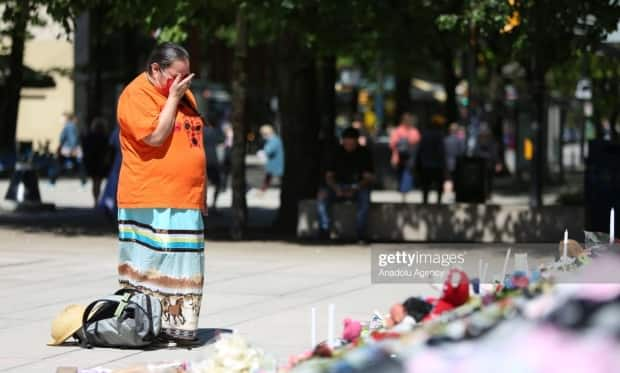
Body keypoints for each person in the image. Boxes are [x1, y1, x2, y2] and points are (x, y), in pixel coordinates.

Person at [116, 42, 206, 342]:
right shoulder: (136, 94)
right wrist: (173, 99)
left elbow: (192, 142)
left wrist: (200, 193)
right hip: (150, 196)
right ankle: (145, 327)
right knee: (151, 268)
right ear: (156, 69)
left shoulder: (180, 93)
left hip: (184, 198)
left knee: (184, 266)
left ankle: (178, 328)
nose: (183, 82)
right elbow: (154, 136)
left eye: (187, 76)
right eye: (176, 75)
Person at [317, 127, 375, 242]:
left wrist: (356, 188)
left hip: (358, 186)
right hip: (337, 186)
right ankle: (324, 229)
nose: (349, 147)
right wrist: (336, 188)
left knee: (364, 199)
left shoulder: (364, 153)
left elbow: (369, 177)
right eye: (346, 143)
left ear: (357, 142)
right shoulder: (335, 153)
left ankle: (360, 233)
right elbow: (329, 176)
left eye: (351, 144)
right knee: (322, 196)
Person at [417, 115, 446, 204]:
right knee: (439, 185)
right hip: (437, 165)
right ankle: (438, 202)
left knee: (426, 186)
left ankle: (425, 201)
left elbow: (420, 150)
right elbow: (441, 151)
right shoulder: (440, 135)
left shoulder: (425, 134)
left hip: (426, 165)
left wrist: (418, 163)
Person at [389, 113, 420, 196]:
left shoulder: (399, 131)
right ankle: (403, 190)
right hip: (400, 158)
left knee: (407, 174)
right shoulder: (400, 130)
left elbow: (392, 144)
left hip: (408, 158)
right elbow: (392, 144)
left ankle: (404, 190)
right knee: (403, 174)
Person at [82, 117, 110, 206]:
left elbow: (85, 148)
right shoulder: (105, 138)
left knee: (95, 182)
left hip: (92, 162)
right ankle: (96, 199)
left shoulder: (89, 137)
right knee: (98, 182)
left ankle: (95, 199)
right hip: (101, 163)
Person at [52, 112, 85, 184]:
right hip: (71, 148)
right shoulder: (71, 126)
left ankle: (53, 178)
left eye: (61, 118)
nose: (60, 120)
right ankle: (83, 179)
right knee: (78, 164)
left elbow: (70, 138)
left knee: (62, 163)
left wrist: (72, 149)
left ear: (66, 118)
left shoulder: (69, 126)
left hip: (69, 148)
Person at [97, 126, 122, 218]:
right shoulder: (121, 130)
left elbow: (111, 147)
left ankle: (111, 206)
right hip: (122, 160)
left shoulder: (117, 130)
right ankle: (112, 206)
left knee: (114, 184)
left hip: (118, 160)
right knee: (116, 184)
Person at [473, 125, 500, 200]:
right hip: (483, 164)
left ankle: (488, 194)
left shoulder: (491, 141)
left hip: (488, 164)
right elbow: (476, 152)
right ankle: (485, 194)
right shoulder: (479, 141)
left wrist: (497, 163)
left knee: (488, 180)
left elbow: (495, 153)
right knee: (484, 181)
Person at [203, 123, 224, 212]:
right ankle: (214, 205)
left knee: (203, 185)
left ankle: (203, 205)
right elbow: (222, 143)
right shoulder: (216, 131)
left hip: (202, 160)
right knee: (217, 183)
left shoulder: (201, 131)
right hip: (213, 160)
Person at [258, 124, 284, 192]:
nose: (262, 136)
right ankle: (263, 190)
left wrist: (262, 152)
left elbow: (268, 150)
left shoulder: (273, 140)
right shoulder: (275, 139)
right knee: (269, 177)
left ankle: (262, 190)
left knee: (272, 177)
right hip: (275, 163)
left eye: (263, 134)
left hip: (275, 163)